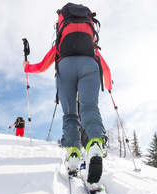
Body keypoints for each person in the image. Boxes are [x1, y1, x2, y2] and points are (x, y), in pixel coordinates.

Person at [23, 3, 112, 183]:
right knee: (90, 108)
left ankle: (73, 155)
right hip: (90, 65)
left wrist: (27, 67)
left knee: (70, 114)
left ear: (61, 25)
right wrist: (108, 86)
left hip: (65, 67)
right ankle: (95, 144)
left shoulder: (60, 45)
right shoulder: (91, 46)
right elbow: (107, 70)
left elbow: (41, 66)